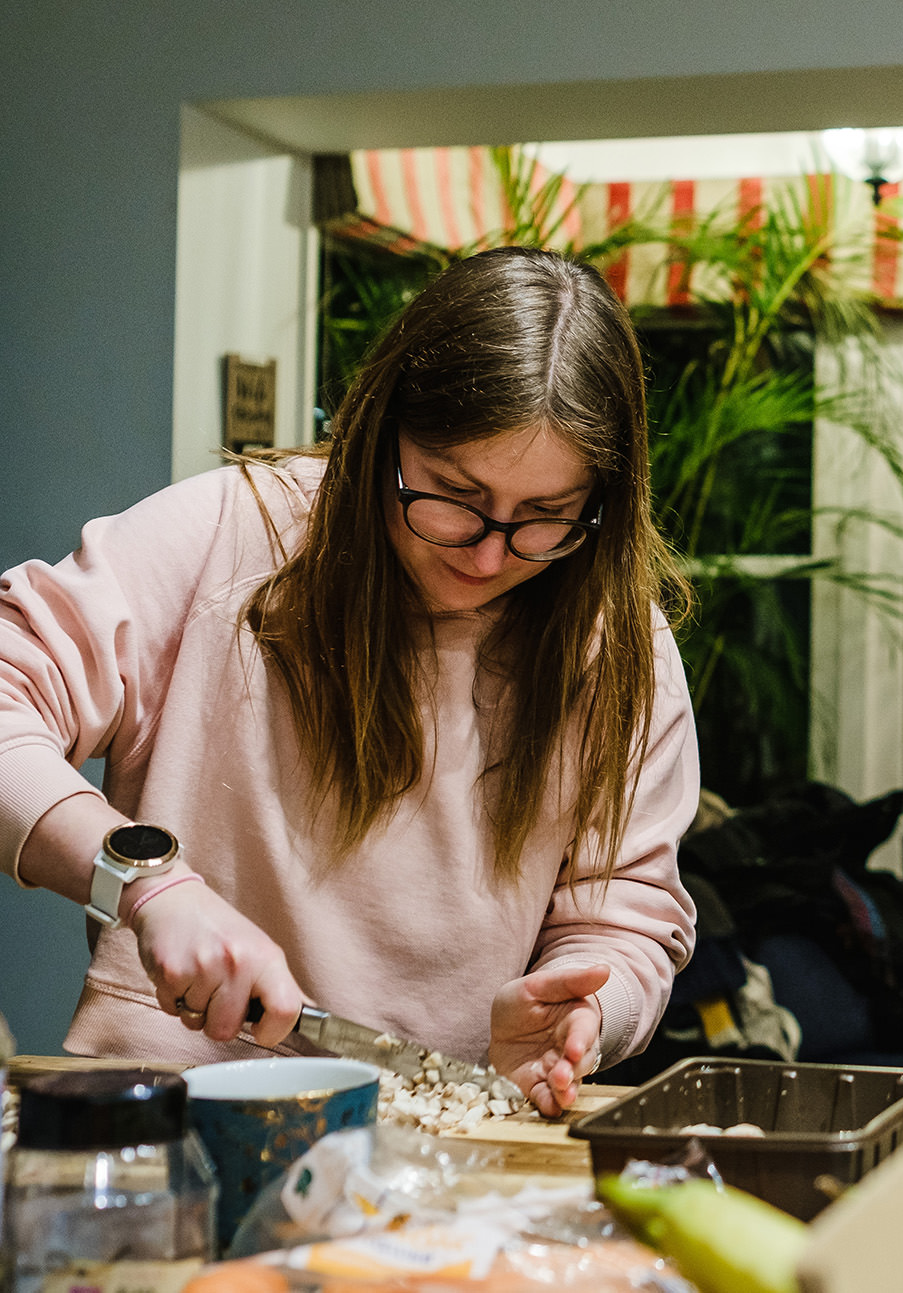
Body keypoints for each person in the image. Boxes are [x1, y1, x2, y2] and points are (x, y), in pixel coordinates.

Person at [1, 247, 700, 1117]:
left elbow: (625, 914)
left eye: (544, 519)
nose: (488, 553)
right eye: (453, 492)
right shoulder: (229, 535)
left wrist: (585, 1007)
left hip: (451, 1136)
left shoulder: (619, 643)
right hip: (168, 1120)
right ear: (379, 430)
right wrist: (150, 888)